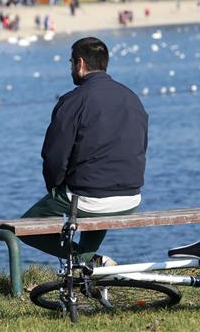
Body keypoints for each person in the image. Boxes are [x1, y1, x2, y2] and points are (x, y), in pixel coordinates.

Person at [19, 37, 149, 265]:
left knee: (24, 228)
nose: (70, 68)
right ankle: (91, 266)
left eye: (70, 62)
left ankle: (90, 260)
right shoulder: (132, 98)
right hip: (130, 198)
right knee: (93, 195)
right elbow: (141, 146)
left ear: (80, 63)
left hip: (89, 198)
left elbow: (53, 157)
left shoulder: (73, 101)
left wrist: (55, 188)